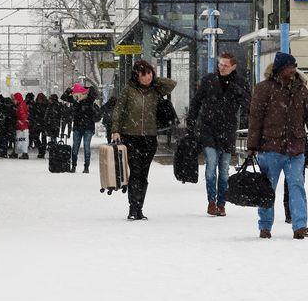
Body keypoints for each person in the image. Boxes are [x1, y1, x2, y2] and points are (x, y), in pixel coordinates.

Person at [247, 52, 308, 240]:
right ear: (279, 68)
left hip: (295, 148)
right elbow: (255, 119)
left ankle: (299, 226)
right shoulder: (263, 89)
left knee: (297, 186)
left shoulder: (300, 89)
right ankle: (265, 226)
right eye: (289, 67)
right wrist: (252, 146)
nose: (293, 70)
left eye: (294, 66)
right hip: (270, 148)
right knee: (267, 189)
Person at [187, 52, 251, 217]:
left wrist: (239, 92)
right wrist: (192, 123)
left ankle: (221, 203)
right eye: (220, 64)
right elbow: (196, 102)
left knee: (223, 170)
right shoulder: (208, 80)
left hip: (228, 131)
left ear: (233, 67)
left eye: (225, 65)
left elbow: (248, 105)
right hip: (208, 128)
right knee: (211, 165)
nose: (221, 68)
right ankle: (211, 202)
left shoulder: (240, 83)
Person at [111, 60, 177, 220]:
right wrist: (115, 130)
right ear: (136, 75)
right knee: (135, 171)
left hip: (149, 137)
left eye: (149, 73)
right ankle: (133, 208)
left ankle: (139, 208)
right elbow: (118, 110)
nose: (147, 77)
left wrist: (154, 80)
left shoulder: (156, 90)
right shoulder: (128, 90)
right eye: (143, 74)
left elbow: (171, 84)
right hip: (131, 136)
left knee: (143, 174)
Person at [63, 83, 102, 173]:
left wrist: (87, 90)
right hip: (78, 127)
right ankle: (74, 166)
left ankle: (86, 167)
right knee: (76, 147)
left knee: (86, 147)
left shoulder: (90, 101)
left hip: (87, 128)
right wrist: (69, 90)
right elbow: (64, 97)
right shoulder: (76, 101)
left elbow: (95, 94)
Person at [13, 92, 30, 159]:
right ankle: (22, 153)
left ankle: (24, 154)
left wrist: (22, 125)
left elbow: (23, 116)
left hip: (21, 126)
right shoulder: (22, 104)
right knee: (22, 140)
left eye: (14, 99)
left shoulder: (20, 106)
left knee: (22, 140)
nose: (14, 101)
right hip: (22, 126)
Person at [33, 93, 49, 158]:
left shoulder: (44, 105)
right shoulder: (39, 104)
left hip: (41, 123)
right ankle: (41, 150)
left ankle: (42, 151)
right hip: (39, 123)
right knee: (37, 137)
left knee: (42, 138)